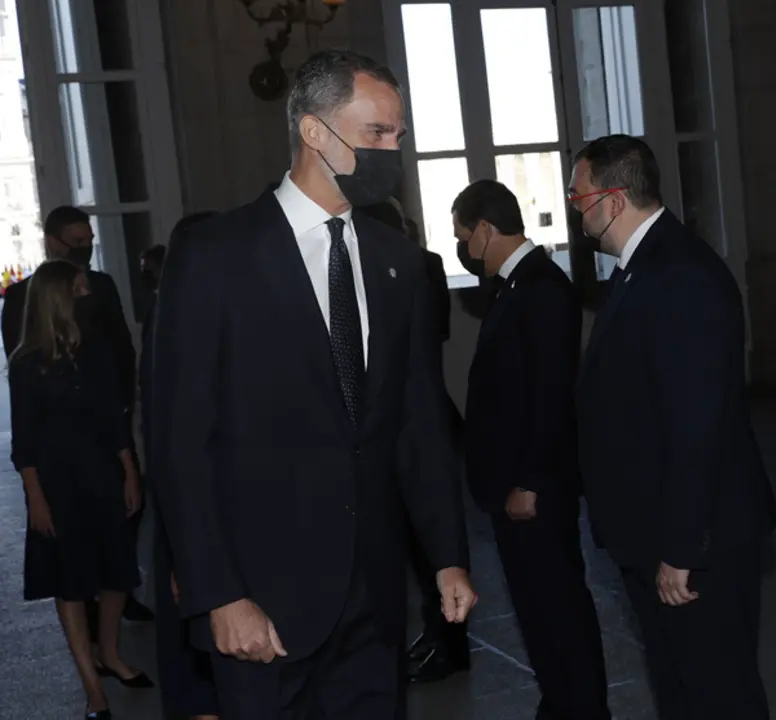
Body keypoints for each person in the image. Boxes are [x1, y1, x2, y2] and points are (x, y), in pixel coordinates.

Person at [150, 49, 476, 719]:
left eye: (399, 135)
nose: (393, 150)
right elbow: (180, 441)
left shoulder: (399, 263)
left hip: (375, 604)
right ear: (314, 132)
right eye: (376, 134)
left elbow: (417, 423)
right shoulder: (216, 257)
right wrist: (218, 595)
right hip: (262, 603)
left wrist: (446, 555)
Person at [571, 134, 776, 720]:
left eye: (578, 194)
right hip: (655, 532)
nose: (574, 207)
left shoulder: (679, 274)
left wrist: (682, 548)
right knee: (681, 690)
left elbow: (696, 424)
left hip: (694, 543)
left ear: (611, 200)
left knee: (718, 693)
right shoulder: (641, 268)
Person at [455, 179, 610, 719]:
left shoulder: (542, 287)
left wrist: (527, 480)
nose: (464, 250)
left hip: (534, 488)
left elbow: (548, 396)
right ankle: (561, 700)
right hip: (513, 484)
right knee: (535, 605)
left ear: (485, 230)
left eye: (464, 237)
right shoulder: (515, 285)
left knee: (557, 602)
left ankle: (583, 707)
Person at [9, 260, 151, 720]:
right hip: (57, 480)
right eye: (81, 288)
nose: (88, 294)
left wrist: (129, 468)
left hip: (101, 471)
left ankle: (109, 652)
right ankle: (93, 688)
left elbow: (114, 418)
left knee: (116, 571)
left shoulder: (95, 351)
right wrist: (35, 496)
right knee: (70, 582)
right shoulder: (27, 363)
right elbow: (24, 439)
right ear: (59, 297)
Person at [0, 206, 153, 630]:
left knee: (125, 511)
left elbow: (121, 346)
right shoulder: (21, 298)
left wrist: (121, 404)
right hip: (58, 437)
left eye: (89, 242)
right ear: (53, 242)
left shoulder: (101, 286)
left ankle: (115, 593)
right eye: (76, 243)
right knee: (69, 535)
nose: (85, 250)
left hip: (104, 426)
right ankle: (85, 602)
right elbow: (26, 367)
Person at [360, 198, 470, 683]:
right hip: (398, 414)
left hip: (413, 404)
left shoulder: (420, 267)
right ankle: (434, 631)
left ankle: (448, 637)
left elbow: (436, 330)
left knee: (428, 533)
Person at [146, 212, 220, 720]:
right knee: (199, 661)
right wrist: (179, 555)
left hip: (233, 514)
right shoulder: (169, 322)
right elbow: (172, 444)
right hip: (194, 513)